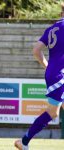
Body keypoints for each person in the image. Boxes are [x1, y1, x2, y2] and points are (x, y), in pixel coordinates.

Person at [14, 3, 64, 150]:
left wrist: (48, 67)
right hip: (60, 76)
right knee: (52, 112)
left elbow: (36, 50)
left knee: (54, 111)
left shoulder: (51, 28)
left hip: (53, 74)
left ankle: (23, 142)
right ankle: (23, 141)